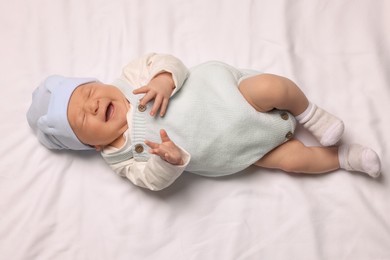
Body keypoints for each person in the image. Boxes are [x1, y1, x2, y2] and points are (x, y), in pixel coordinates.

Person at [26, 53, 381, 191]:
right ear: (91, 144)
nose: (93, 105)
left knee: (275, 87)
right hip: (239, 149)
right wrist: (169, 161)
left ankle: (312, 115)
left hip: (231, 95)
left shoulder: (132, 79)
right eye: (81, 118)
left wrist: (164, 79)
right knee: (293, 161)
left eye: (88, 93)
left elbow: (166, 61)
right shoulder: (119, 157)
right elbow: (150, 181)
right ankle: (344, 158)